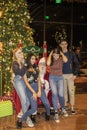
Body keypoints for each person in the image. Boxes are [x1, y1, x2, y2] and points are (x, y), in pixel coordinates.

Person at [17, 53, 50, 129]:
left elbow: (38, 79)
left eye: (34, 59)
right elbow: (26, 82)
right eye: (32, 59)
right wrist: (34, 93)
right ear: (29, 59)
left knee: (46, 103)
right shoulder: (24, 68)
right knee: (33, 109)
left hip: (37, 87)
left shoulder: (36, 67)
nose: (33, 60)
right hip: (29, 89)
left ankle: (48, 114)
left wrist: (39, 90)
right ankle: (20, 120)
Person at [12, 48, 34, 128]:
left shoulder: (23, 61)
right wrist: (25, 65)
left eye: (21, 52)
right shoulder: (15, 63)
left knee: (27, 101)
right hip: (18, 82)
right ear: (15, 55)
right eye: (19, 53)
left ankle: (22, 112)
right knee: (24, 99)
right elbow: (20, 73)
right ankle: (27, 119)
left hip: (25, 81)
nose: (21, 54)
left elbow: (29, 69)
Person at [47, 47, 68, 123]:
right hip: (52, 77)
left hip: (60, 77)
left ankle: (63, 108)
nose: (56, 57)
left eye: (57, 55)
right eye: (54, 55)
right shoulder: (51, 59)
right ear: (53, 55)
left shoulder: (61, 59)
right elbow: (48, 63)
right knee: (55, 94)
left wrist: (61, 53)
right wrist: (50, 54)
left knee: (61, 94)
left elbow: (66, 60)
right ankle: (56, 112)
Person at [59, 39, 79, 114]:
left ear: (67, 44)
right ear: (60, 45)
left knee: (71, 91)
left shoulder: (71, 54)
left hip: (70, 75)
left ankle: (72, 107)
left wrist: (75, 74)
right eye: (62, 44)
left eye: (65, 44)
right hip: (62, 75)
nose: (64, 45)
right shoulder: (59, 54)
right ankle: (65, 105)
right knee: (64, 92)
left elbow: (76, 64)